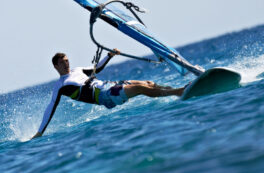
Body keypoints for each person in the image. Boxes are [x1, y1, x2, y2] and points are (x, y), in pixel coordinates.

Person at [31, 49, 185, 139]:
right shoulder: (60, 86)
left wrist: (109, 55)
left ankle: (177, 89)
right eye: (63, 62)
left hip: (110, 85)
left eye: (67, 60)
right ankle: (178, 92)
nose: (66, 63)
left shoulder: (78, 70)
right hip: (105, 96)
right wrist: (40, 132)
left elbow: (97, 68)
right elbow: (51, 108)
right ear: (56, 65)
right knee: (141, 89)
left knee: (147, 83)